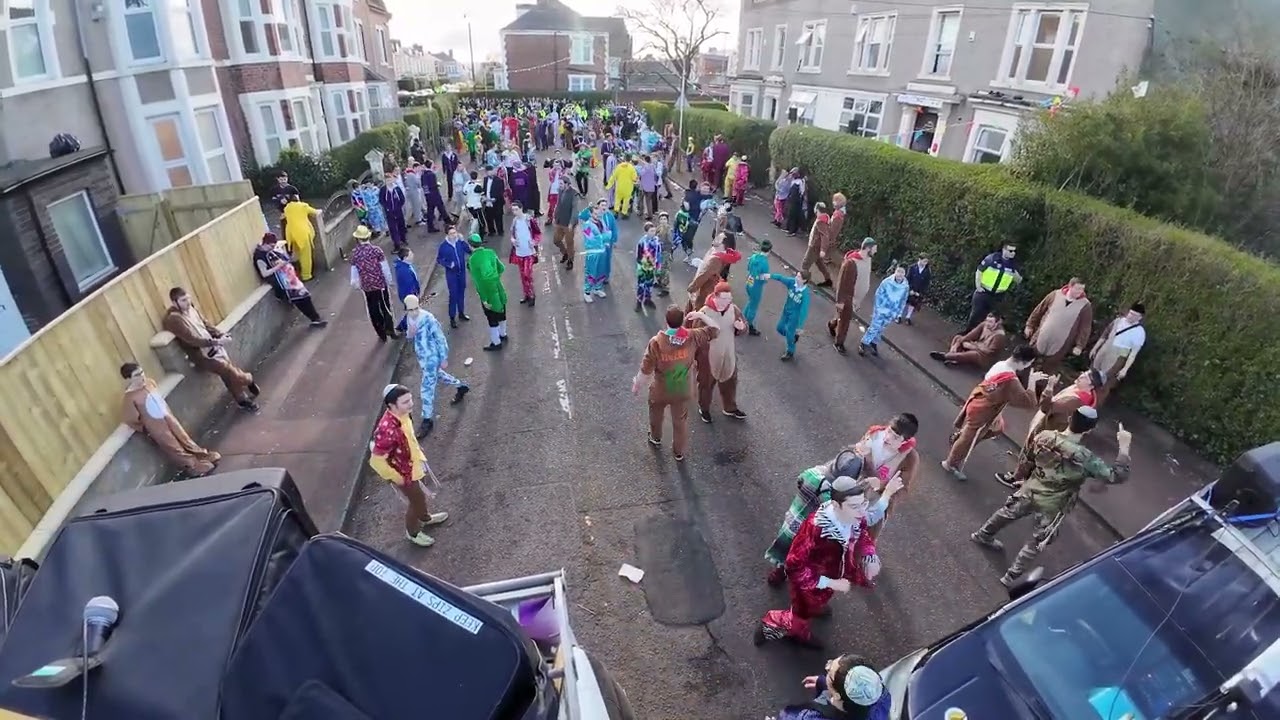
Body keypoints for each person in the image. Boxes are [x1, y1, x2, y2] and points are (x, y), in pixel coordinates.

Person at [972, 408, 1132, 587]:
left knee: (1008, 512)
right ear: (1089, 430)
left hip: (1032, 487)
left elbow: (1029, 457)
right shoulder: (1086, 458)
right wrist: (1124, 447)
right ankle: (1011, 576)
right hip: (1054, 503)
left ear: (1070, 418)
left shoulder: (1044, 436)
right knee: (1038, 539)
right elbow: (1116, 476)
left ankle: (983, 534)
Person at [755, 476, 881, 649]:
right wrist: (829, 582)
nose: (861, 511)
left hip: (831, 577)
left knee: (814, 605)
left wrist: (869, 554)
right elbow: (794, 565)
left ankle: (811, 613)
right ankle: (773, 625)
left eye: (863, 504)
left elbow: (862, 535)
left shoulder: (856, 517)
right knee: (800, 615)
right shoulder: (816, 528)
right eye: (854, 506)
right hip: (809, 584)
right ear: (836, 505)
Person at [942, 346, 1053, 481]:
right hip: (984, 410)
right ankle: (950, 463)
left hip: (980, 401)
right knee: (969, 438)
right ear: (1025, 362)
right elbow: (1028, 401)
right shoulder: (1011, 380)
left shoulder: (1000, 365)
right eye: (1030, 363)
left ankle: (958, 442)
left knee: (996, 428)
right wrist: (1032, 382)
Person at [633, 306, 720, 462]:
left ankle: (656, 437)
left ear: (666, 321)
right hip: (681, 388)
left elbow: (646, 369)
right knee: (680, 421)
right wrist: (700, 315)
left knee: (656, 414)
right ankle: (678, 452)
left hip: (661, 388)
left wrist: (637, 384)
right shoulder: (693, 336)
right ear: (683, 320)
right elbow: (715, 329)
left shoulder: (657, 342)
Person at [368, 384, 450, 547]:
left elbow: (408, 436)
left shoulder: (403, 414)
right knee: (416, 501)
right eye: (405, 402)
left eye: (410, 399)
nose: (411, 404)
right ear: (392, 405)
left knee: (419, 497)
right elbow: (376, 461)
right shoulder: (387, 430)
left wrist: (416, 451)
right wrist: (398, 478)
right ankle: (412, 532)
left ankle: (425, 518)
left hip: (413, 465)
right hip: (403, 474)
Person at [996, 368, 1103, 489]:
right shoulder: (1084, 394)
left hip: (1048, 428)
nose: (1081, 375)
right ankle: (1024, 480)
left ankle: (1016, 478)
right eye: (1083, 373)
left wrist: (1050, 387)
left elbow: (1046, 407)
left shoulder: (1074, 400)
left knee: (1030, 454)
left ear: (1091, 385)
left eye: (1085, 376)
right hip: (1055, 429)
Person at [162, 287, 260, 412]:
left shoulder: (191, 308)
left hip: (214, 346)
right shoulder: (174, 319)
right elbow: (192, 340)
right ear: (175, 303)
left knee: (227, 373)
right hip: (202, 354)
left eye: (187, 298)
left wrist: (220, 334)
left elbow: (205, 324)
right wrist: (217, 341)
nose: (187, 302)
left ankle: (241, 400)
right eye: (183, 300)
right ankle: (248, 379)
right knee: (228, 370)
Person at [120, 362, 220, 477]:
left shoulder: (149, 383)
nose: (142, 376)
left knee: (183, 437)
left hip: (167, 416)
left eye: (142, 372)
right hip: (155, 424)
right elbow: (130, 419)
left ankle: (201, 454)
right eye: (137, 375)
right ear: (128, 379)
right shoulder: (130, 397)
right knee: (172, 445)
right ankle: (192, 465)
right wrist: (146, 427)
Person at [403, 294, 470, 437]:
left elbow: (440, 338)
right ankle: (461, 386)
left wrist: (444, 357)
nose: (413, 312)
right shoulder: (409, 318)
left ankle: (427, 419)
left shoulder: (428, 318)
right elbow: (409, 336)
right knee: (440, 376)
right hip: (422, 358)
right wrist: (411, 333)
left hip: (432, 358)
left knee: (426, 388)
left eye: (416, 308)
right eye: (410, 310)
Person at [687, 282, 747, 422]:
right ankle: (704, 408)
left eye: (729, 299)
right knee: (706, 384)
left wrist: (741, 328)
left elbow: (744, 327)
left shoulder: (734, 309)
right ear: (715, 296)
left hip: (728, 354)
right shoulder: (704, 313)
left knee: (730, 381)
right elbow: (696, 336)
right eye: (723, 299)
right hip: (708, 357)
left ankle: (730, 407)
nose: (726, 302)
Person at [768, 655, 892, 720]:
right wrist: (824, 683)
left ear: (836, 697)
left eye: (829, 671)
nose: (827, 667)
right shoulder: (882, 698)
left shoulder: (806, 717)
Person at [253, 233, 326, 327]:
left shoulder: (271, 251)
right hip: (284, 283)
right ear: (265, 243)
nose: (273, 247)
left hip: (291, 279)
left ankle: (316, 318)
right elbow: (264, 273)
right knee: (299, 300)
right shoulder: (260, 256)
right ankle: (315, 318)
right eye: (271, 246)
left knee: (306, 297)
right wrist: (279, 266)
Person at [1024, 277, 1093, 373]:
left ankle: (1040, 386)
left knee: (1048, 368)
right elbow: (1040, 309)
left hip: (1061, 342)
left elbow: (1085, 327)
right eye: (1077, 289)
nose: (1080, 292)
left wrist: (1079, 345)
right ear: (1070, 286)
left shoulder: (1085, 305)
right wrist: (1030, 325)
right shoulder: (1055, 295)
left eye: (1082, 289)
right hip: (1041, 335)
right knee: (1028, 359)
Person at [1088, 302, 1146, 406]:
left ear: (1140, 318)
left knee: (1105, 383)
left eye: (1134, 315)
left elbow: (1133, 353)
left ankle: (1094, 405)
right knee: (1091, 374)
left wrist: (1125, 369)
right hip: (1104, 351)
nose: (1130, 316)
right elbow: (1104, 335)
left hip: (1118, 357)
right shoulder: (1118, 321)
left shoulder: (1139, 332)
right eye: (1130, 313)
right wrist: (1095, 348)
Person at [827, 238, 876, 354]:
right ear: (868, 248)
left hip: (857, 298)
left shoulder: (868, 259)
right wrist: (840, 301)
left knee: (842, 317)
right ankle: (839, 343)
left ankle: (832, 323)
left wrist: (859, 300)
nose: (875, 252)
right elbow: (842, 283)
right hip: (848, 297)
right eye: (874, 249)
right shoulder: (851, 263)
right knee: (845, 321)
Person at [349, 225, 397, 341]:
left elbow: (354, 273)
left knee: (373, 308)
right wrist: (389, 281)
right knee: (385, 307)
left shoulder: (355, 254)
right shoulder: (376, 251)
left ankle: (381, 332)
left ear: (358, 239)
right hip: (380, 285)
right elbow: (384, 268)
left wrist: (356, 285)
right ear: (368, 237)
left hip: (367, 287)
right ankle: (390, 329)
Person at [965, 243, 1022, 331]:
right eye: (1010, 251)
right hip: (984, 292)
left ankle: (984, 340)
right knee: (975, 317)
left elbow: (1018, 280)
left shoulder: (1013, 265)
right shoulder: (992, 258)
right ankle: (966, 336)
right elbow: (979, 271)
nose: (1013, 253)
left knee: (993, 320)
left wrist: (1014, 273)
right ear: (1004, 250)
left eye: (1014, 251)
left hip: (998, 296)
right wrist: (978, 286)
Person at [857, 265, 910, 357]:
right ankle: (864, 343)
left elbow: (903, 300)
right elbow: (878, 294)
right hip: (881, 309)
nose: (899, 274)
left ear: (905, 274)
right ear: (895, 271)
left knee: (881, 328)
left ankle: (873, 343)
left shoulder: (905, 287)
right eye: (898, 271)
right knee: (874, 327)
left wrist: (898, 313)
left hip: (892, 312)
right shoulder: (887, 282)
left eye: (902, 272)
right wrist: (878, 308)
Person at [466, 233, 508, 351]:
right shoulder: (490, 252)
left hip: (488, 292)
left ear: (470, 245)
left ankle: (496, 342)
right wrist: (496, 278)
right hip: (498, 287)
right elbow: (502, 268)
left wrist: (484, 299)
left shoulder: (472, 260)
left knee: (491, 317)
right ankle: (503, 334)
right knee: (502, 312)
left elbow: (478, 282)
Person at [929, 312, 1008, 368]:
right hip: (976, 346)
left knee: (973, 354)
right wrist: (958, 342)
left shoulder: (999, 335)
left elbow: (989, 351)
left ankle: (946, 356)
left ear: (997, 323)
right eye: (987, 321)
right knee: (958, 337)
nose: (987, 324)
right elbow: (971, 335)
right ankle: (953, 357)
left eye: (990, 322)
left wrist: (973, 346)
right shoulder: (984, 325)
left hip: (984, 357)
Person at [763, 270, 811, 361]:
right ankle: (791, 337)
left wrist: (799, 327)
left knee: (789, 333)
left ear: (804, 280)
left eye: (799, 277)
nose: (796, 278)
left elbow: (803, 312)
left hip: (795, 317)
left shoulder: (805, 295)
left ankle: (790, 351)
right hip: (786, 311)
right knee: (779, 328)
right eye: (797, 276)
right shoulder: (792, 283)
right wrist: (770, 275)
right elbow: (781, 278)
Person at [435, 224, 472, 328]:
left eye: (455, 233)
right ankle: (452, 317)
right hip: (452, 274)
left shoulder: (459, 242)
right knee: (453, 295)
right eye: (451, 234)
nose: (454, 235)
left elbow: (469, 250)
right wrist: (448, 264)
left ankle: (461, 313)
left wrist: (463, 240)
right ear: (447, 235)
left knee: (461, 293)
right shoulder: (443, 246)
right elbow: (439, 259)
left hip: (462, 272)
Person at [280, 193, 320, 281]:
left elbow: (284, 217)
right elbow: (315, 212)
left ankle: (296, 273)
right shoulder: (303, 206)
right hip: (302, 234)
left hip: (291, 235)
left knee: (297, 254)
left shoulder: (287, 208)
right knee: (305, 256)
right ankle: (306, 275)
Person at [509, 202, 541, 306]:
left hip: (529, 253)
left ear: (521, 208)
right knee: (523, 275)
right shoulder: (514, 221)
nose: (514, 212)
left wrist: (534, 242)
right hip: (519, 253)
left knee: (528, 274)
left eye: (516, 209)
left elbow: (538, 233)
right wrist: (513, 240)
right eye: (513, 210)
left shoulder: (529, 220)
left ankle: (531, 295)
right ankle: (527, 294)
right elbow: (512, 235)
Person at [580, 204, 612, 302]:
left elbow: (608, 234)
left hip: (602, 251)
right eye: (595, 213)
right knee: (591, 272)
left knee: (600, 271)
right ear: (590, 213)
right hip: (592, 253)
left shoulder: (601, 221)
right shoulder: (587, 225)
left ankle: (598, 288)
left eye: (598, 213)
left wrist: (604, 237)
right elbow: (591, 240)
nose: (597, 215)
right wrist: (604, 237)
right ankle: (587, 292)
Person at [799, 202, 834, 286]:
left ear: (817, 210)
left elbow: (824, 236)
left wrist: (823, 250)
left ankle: (804, 280)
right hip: (817, 246)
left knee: (805, 264)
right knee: (820, 264)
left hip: (814, 246)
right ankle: (828, 279)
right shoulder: (824, 219)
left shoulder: (820, 221)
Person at [743, 240, 771, 336]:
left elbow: (748, 268)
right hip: (756, 286)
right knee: (753, 306)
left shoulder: (753, 257)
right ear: (769, 251)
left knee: (750, 301)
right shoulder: (765, 263)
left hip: (749, 282)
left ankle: (742, 318)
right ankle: (749, 325)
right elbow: (764, 278)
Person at [634, 221, 663, 311]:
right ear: (646, 232)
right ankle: (639, 302)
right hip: (643, 267)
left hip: (652, 267)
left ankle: (648, 299)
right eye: (651, 231)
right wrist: (639, 268)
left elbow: (659, 253)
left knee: (650, 284)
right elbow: (638, 256)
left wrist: (658, 266)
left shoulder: (656, 241)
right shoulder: (642, 242)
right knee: (641, 285)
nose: (653, 233)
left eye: (654, 231)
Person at [379, 173, 408, 250]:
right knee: (393, 228)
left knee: (401, 225)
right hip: (389, 213)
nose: (389, 181)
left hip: (398, 211)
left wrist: (399, 206)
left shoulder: (397, 189)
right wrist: (387, 208)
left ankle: (403, 239)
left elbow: (402, 199)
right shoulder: (383, 190)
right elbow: (381, 200)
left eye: (390, 179)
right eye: (387, 180)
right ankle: (396, 244)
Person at [900, 255, 930, 324]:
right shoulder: (912, 267)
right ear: (920, 259)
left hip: (918, 291)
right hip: (909, 289)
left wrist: (920, 292)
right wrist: (910, 289)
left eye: (926, 262)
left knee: (913, 303)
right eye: (924, 261)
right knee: (903, 302)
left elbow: (926, 283)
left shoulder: (927, 271)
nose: (925, 263)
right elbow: (907, 278)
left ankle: (908, 317)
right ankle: (899, 316)